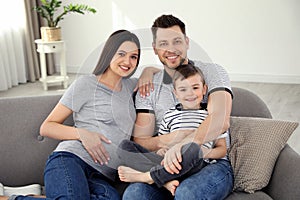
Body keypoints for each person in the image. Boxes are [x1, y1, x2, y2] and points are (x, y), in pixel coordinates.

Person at [0, 30, 159, 200]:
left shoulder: (131, 86)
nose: (127, 61)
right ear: (109, 52)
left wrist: (148, 70)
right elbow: (47, 127)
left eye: (134, 57)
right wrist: (82, 134)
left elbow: (165, 71)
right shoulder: (86, 84)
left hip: (102, 176)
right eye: (121, 54)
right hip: (71, 160)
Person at [122, 14, 234, 200]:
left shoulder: (212, 72)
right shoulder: (148, 87)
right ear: (155, 49)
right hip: (166, 164)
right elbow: (141, 141)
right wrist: (169, 141)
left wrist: (184, 144)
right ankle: (160, 178)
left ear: (187, 42)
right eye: (163, 43)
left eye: (177, 41)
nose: (171, 49)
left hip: (210, 164)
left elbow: (220, 120)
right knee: (134, 194)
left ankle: (151, 177)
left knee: (187, 193)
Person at [118, 64, 228, 196]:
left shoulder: (209, 116)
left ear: (204, 89)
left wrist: (205, 152)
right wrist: (161, 150)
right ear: (175, 93)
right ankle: (164, 181)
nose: (190, 94)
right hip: (168, 163)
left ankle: (147, 177)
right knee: (125, 146)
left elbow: (222, 149)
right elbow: (163, 142)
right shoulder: (170, 115)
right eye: (183, 89)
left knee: (193, 148)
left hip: (196, 164)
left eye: (195, 88)